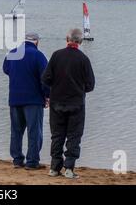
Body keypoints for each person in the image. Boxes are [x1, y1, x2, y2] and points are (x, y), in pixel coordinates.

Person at [42, 28, 95, 179]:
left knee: (57, 135)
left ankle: (54, 168)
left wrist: (56, 86)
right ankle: (69, 169)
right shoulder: (83, 59)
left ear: (67, 39)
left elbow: (45, 78)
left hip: (57, 102)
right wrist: (79, 88)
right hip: (76, 104)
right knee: (74, 136)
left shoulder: (56, 55)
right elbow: (90, 85)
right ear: (80, 41)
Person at [3, 32, 50, 170]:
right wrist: (47, 95)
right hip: (33, 99)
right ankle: (32, 161)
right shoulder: (38, 55)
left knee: (16, 130)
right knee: (34, 131)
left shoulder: (12, 53)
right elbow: (46, 78)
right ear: (36, 42)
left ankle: (17, 159)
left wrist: (18, 75)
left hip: (15, 98)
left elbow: (6, 69)